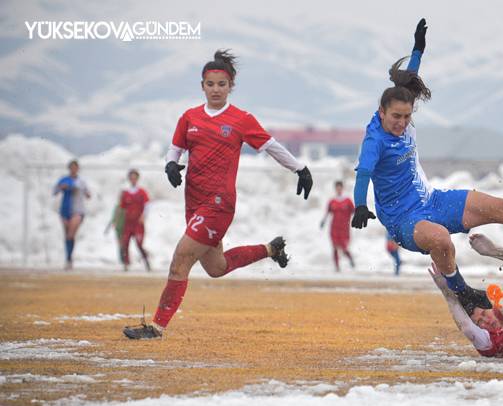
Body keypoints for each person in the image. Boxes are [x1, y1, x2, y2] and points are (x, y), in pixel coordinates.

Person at [352, 18, 503, 306]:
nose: (402, 123)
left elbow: (408, 82)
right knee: (441, 238)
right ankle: (462, 292)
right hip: (403, 220)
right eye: (396, 117)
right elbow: (364, 173)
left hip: (432, 201)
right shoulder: (375, 141)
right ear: (381, 112)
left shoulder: (401, 106)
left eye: (407, 117)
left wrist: (418, 50)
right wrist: (360, 205)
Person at [123, 49, 313, 339]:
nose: (215, 89)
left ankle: (156, 328)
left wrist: (300, 169)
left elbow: (271, 146)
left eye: (221, 84)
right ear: (202, 86)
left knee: (180, 260)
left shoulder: (241, 119)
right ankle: (271, 249)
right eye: (210, 84)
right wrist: (171, 165)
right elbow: (175, 147)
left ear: (230, 86)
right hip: (194, 202)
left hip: (219, 204)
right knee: (216, 267)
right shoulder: (189, 117)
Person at [53, 160, 91, 270]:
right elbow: (55, 191)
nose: (73, 169)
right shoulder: (64, 179)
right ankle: (68, 257)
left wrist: (79, 190)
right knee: (67, 235)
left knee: (70, 234)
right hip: (65, 210)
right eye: (72, 167)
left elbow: (88, 194)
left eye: (75, 167)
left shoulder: (81, 182)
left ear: (78, 169)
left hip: (78, 210)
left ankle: (69, 258)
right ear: (69, 168)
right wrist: (62, 187)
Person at [118, 169, 151, 272]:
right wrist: (118, 222)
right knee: (125, 243)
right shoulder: (125, 193)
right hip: (128, 223)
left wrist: (143, 216)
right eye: (131, 178)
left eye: (134, 178)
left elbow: (147, 205)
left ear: (137, 179)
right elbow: (121, 208)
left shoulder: (142, 192)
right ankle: (126, 264)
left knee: (139, 244)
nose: (133, 180)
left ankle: (147, 261)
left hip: (138, 223)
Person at [321, 181, 355, 271]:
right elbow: (327, 212)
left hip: (344, 228)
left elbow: (354, 211)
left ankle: (350, 258)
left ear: (342, 188)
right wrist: (323, 221)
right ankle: (337, 267)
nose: (338, 189)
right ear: (335, 189)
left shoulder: (347, 200)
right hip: (334, 227)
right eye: (337, 188)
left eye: (340, 188)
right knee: (335, 246)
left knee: (344, 247)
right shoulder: (332, 201)